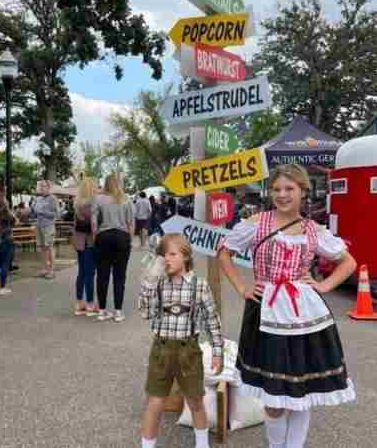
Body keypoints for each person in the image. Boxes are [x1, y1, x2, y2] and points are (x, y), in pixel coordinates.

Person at [217, 164, 356, 448]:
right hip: (265, 312)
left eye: (289, 189)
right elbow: (224, 253)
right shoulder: (257, 223)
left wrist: (324, 286)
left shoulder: (313, 230)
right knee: (274, 394)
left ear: (303, 192)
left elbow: (348, 262)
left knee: (300, 394)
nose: (282, 195)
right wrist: (243, 287)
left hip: (305, 315)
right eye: (277, 189)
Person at [138, 233, 223, 448]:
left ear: (185, 257)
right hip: (162, 349)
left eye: (172, 254)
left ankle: (202, 444)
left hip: (189, 350)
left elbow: (212, 320)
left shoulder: (199, 285)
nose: (166, 259)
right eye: (163, 255)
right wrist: (149, 282)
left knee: (195, 400)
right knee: (155, 402)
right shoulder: (158, 284)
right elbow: (145, 312)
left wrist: (218, 351)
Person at [92, 174, 134, 322]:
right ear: (119, 184)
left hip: (104, 237)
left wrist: (95, 237)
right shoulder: (126, 199)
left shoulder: (98, 199)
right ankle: (118, 311)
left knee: (102, 275)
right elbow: (130, 223)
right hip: (122, 237)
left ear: (106, 184)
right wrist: (130, 240)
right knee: (120, 276)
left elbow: (94, 223)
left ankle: (102, 311)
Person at [72, 177, 99, 316]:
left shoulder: (77, 202)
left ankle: (78, 302)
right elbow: (94, 224)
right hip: (89, 241)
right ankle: (89, 303)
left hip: (79, 240)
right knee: (90, 273)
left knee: (82, 272)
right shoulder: (92, 203)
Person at [33, 180, 59, 279]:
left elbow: (56, 214)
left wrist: (42, 212)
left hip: (48, 226)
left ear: (48, 188)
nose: (42, 188)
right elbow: (35, 211)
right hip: (39, 225)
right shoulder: (38, 198)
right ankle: (44, 269)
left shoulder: (53, 198)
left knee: (49, 247)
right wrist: (34, 209)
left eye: (44, 186)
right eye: (41, 187)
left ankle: (51, 270)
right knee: (42, 248)